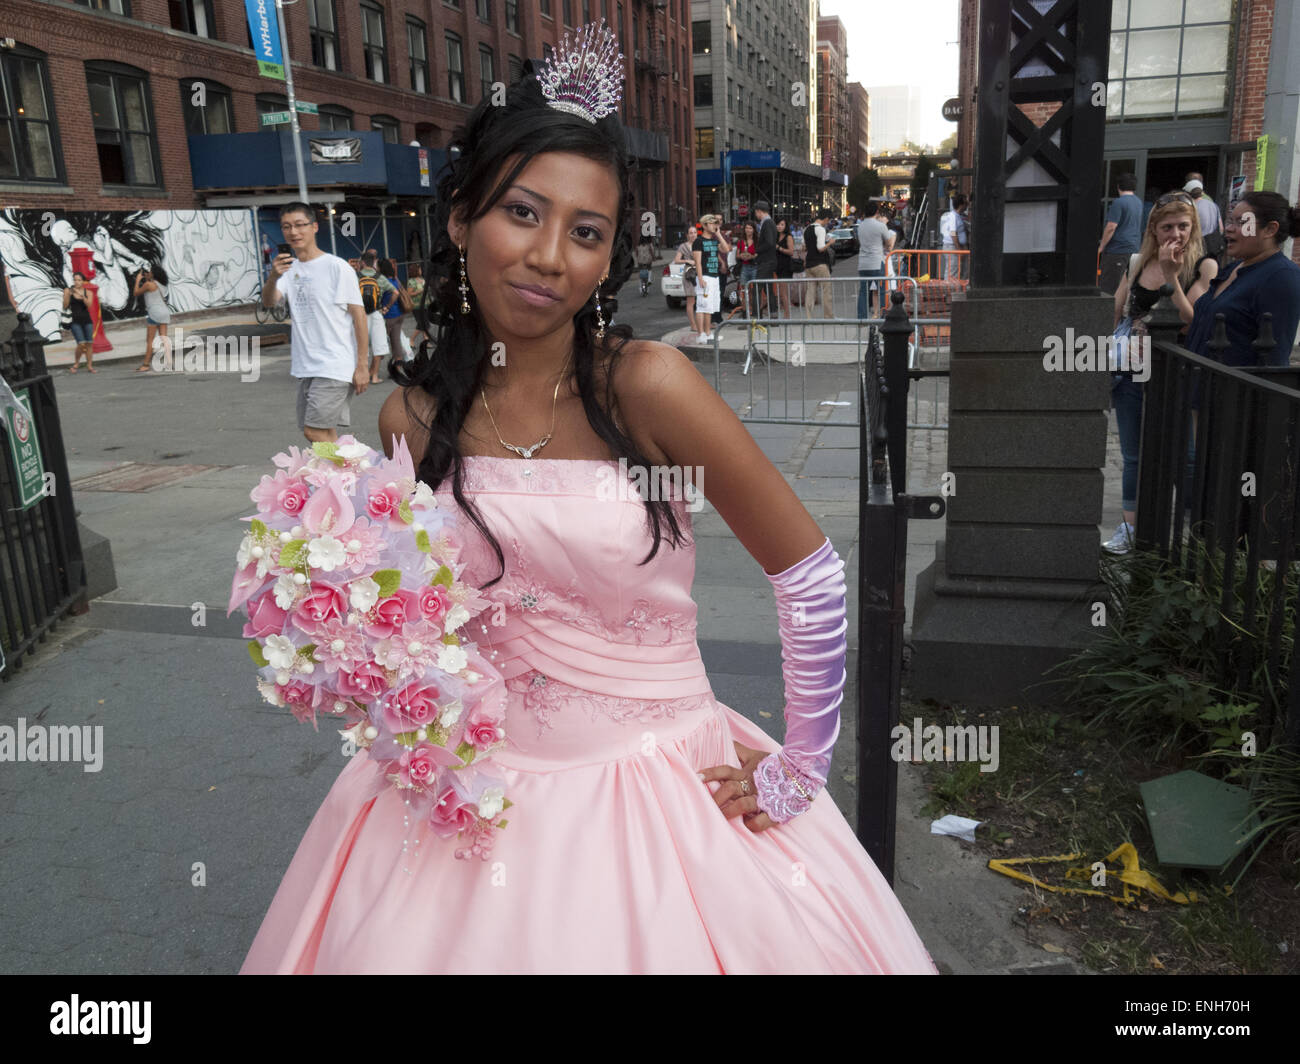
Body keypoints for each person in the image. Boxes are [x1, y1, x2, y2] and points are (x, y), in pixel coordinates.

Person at [238, 27, 937, 975]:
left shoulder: (647, 385)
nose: (549, 256)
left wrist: (800, 768)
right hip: (464, 797)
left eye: (587, 232)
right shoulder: (410, 417)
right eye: (522, 212)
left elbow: (806, 571)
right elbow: (426, 616)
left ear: (610, 257)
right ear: (459, 221)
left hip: (660, 793)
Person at [1104, 192, 1218, 554]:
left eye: (1183, 226)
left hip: (1175, 372)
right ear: (1153, 228)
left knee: (1183, 453)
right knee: (1134, 454)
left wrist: (1172, 275)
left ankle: (1194, 532)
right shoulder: (1137, 262)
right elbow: (1117, 310)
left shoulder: (1204, 265)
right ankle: (1130, 528)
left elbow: (1192, 318)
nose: (1176, 234)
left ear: (1193, 227)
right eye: (1167, 226)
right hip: (1131, 369)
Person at [262, 202, 369, 443]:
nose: (293, 232)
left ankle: (354, 468)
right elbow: (270, 302)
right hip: (305, 367)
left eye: (300, 225)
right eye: (287, 227)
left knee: (314, 432)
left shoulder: (337, 267)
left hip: (334, 365)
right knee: (325, 434)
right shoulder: (288, 270)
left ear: (314, 227)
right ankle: (339, 477)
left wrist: (362, 365)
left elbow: (359, 316)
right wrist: (273, 276)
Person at [1183, 190, 1300, 368]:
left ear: (1270, 229)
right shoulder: (1233, 268)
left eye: (1242, 222)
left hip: (1229, 391)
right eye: (1230, 220)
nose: (1229, 228)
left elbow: (1274, 361)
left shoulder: (1282, 276)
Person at [1097, 173, 1143, 295]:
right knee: (1126, 286)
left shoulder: (1119, 203)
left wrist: (1101, 247)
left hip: (1117, 249)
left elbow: (1111, 226)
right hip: (1134, 248)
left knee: (1109, 286)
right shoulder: (1138, 202)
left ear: (1118, 186)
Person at [358, 250, 397, 383]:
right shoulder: (379, 277)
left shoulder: (355, 276)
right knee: (379, 345)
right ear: (373, 262)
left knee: (360, 346)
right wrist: (386, 308)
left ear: (362, 262)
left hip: (360, 315)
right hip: (376, 313)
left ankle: (361, 374)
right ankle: (374, 376)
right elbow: (395, 292)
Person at [692, 213, 729, 342]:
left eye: (716, 223)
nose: (715, 225)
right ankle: (700, 334)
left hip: (714, 276)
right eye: (712, 223)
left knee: (710, 307)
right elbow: (697, 261)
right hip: (705, 276)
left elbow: (726, 249)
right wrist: (700, 278)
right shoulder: (698, 241)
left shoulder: (714, 240)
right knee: (702, 306)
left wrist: (718, 234)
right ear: (705, 225)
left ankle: (708, 333)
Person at [855, 201, 895, 320]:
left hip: (863, 263)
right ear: (876, 212)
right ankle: (882, 316)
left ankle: (861, 317)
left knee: (863, 292)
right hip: (877, 262)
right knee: (881, 290)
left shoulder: (860, 226)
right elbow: (888, 243)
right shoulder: (880, 226)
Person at [132, 264, 170, 372]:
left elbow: (136, 293)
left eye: (148, 272)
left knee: (150, 341)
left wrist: (138, 280)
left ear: (153, 274)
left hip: (154, 313)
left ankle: (145, 365)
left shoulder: (149, 285)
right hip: (164, 313)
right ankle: (169, 363)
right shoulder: (162, 284)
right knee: (164, 339)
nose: (146, 274)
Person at [802, 207, 836, 318]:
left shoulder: (806, 229)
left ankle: (808, 317)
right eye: (829, 220)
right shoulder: (820, 229)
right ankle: (828, 316)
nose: (828, 223)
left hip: (809, 264)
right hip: (820, 264)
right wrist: (830, 243)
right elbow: (820, 248)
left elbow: (804, 247)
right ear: (826, 219)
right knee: (826, 290)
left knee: (810, 292)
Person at [378, 257, 413, 365]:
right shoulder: (395, 280)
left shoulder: (384, 282)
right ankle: (398, 365)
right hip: (399, 314)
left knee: (380, 342)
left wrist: (386, 307)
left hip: (389, 315)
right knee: (396, 341)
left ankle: (374, 368)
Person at [1184, 173, 1224, 259]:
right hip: (1213, 247)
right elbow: (1221, 228)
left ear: (1188, 193)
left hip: (1196, 247)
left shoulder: (1190, 208)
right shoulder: (1213, 205)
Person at [62, 272, 96, 373]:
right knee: (81, 343)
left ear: (83, 281)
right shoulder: (68, 290)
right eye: (75, 280)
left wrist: (81, 294)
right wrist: (67, 294)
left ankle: (89, 366)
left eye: (79, 280)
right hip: (74, 321)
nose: (76, 282)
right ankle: (76, 363)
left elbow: (89, 305)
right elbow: (65, 305)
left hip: (87, 320)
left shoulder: (88, 292)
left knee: (89, 343)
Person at [752, 199, 778, 319]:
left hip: (766, 261)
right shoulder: (770, 222)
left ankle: (756, 317)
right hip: (770, 260)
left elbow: (769, 242)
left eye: (756, 212)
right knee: (768, 289)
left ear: (759, 211)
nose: (756, 215)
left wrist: (756, 250)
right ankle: (773, 315)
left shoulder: (767, 223)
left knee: (756, 288)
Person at [673, 224, 698, 333]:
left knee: (701, 301)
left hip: (700, 273)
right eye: (691, 233)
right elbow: (677, 260)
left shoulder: (700, 243)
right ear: (687, 235)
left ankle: (700, 323)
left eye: (695, 232)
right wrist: (687, 261)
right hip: (690, 275)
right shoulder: (683, 246)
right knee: (691, 301)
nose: (693, 235)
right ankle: (693, 325)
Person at [939, 194, 968, 281]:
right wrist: (959, 249)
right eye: (966, 203)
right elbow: (953, 233)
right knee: (953, 271)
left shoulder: (958, 216)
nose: (967, 205)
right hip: (952, 247)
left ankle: (957, 290)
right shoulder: (953, 216)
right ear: (961, 204)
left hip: (957, 247)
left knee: (959, 270)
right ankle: (950, 292)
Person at [773, 217, 797, 319]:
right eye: (778, 224)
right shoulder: (775, 236)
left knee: (783, 292)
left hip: (786, 266)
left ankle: (787, 315)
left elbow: (791, 252)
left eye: (782, 224)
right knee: (781, 292)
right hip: (777, 266)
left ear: (786, 226)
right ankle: (786, 314)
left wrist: (779, 248)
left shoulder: (788, 237)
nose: (779, 226)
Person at [734, 221, 757, 318]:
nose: (748, 230)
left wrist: (751, 256)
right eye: (747, 228)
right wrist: (742, 256)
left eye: (750, 228)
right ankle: (744, 312)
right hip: (744, 267)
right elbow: (737, 255)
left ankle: (753, 310)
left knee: (754, 291)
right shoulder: (740, 241)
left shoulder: (757, 241)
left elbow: (758, 253)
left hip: (755, 266)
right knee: (744, 290)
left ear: (754, 230)